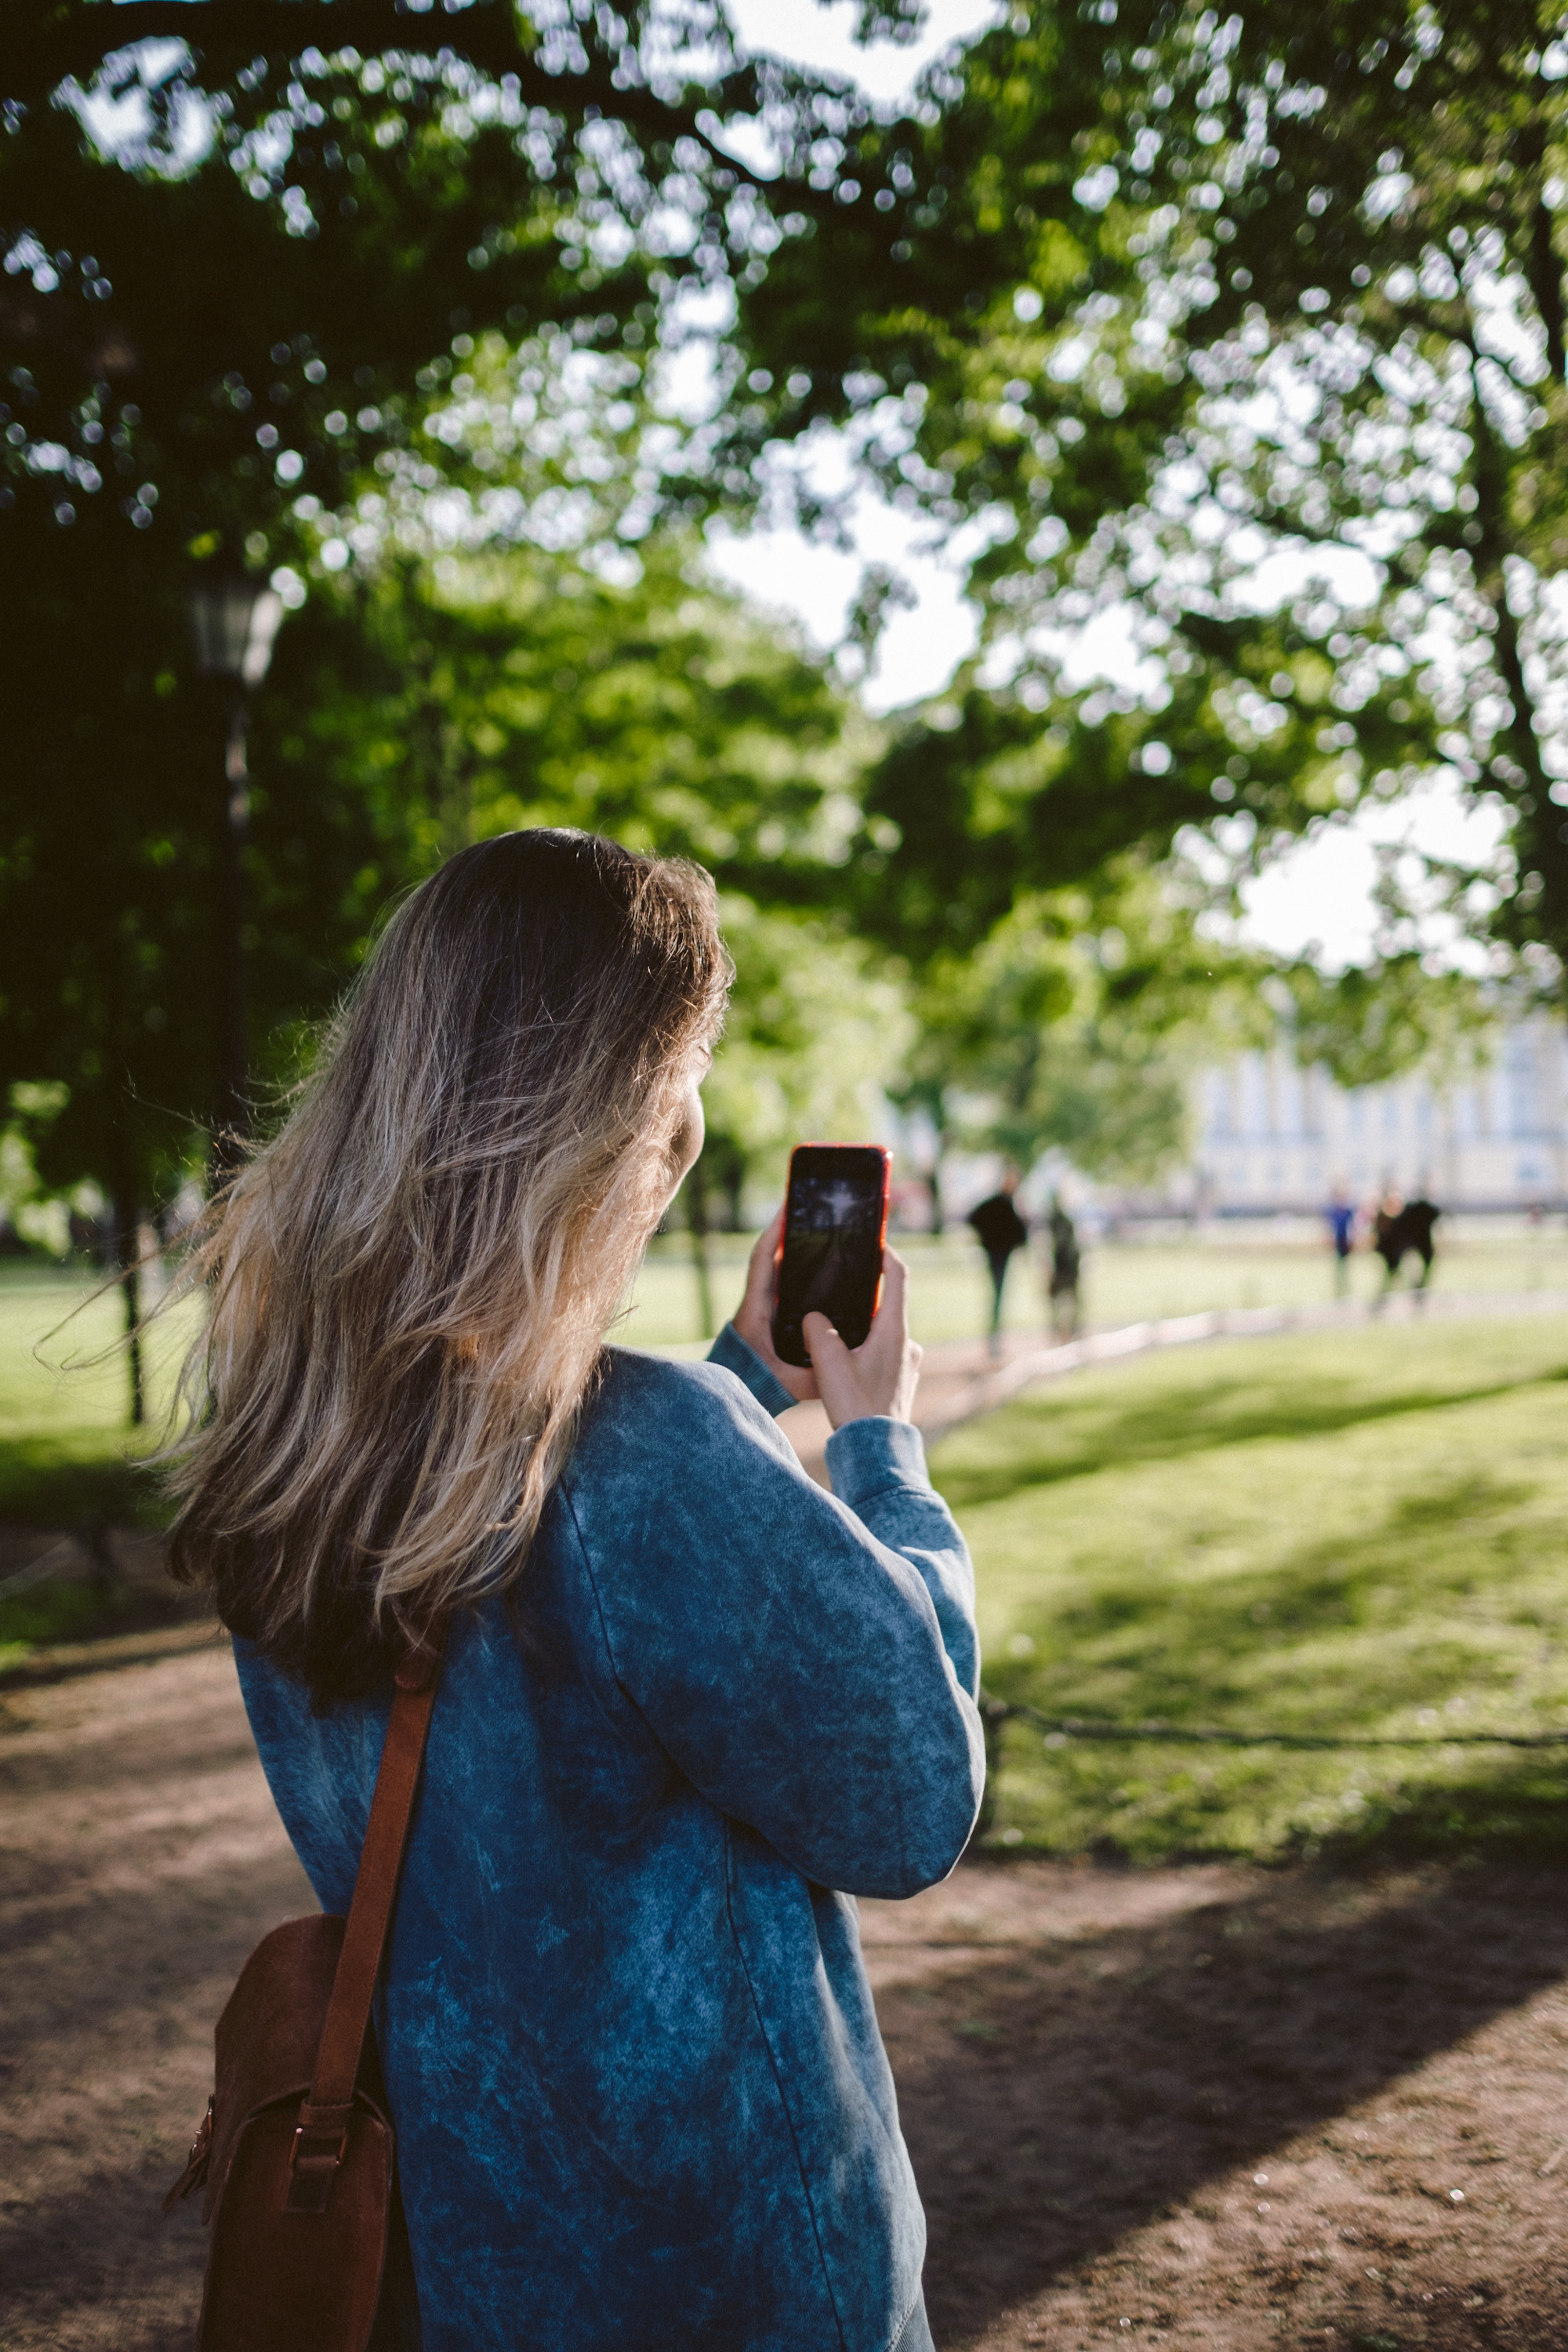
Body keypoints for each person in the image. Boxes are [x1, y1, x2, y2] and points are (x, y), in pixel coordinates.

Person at [165, 830, 982, 2352]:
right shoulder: (644, 1458)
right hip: (737, 2279)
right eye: (673, 1097)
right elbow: (912, 1794)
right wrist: (878, 1451)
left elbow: (535, 1578)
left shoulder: (290, 1430)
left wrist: (740, 1386)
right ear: (621, 1121)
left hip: (482, 2258)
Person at [967, 1163, 1029, 1359]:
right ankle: (993, 1343)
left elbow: (1019, 1232)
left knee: (999, 1298)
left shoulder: (1011, 1203)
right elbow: (975, 1219)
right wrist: (988, 1240)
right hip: (996, 1255)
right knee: (997, 1298)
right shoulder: (998, 1203)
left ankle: (995, 1342)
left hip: (1003, 1255)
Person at [1045, 1191, 1082, 1340]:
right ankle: (1066, 1330)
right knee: (1066, 1301)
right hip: (1064, 1267)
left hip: (1064, 1267)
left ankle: (1065, 1330)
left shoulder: (1057, 1223)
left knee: (1063, 1301)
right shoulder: (1060, 1222)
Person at [1323, 1183, 1356, 1298]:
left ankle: (1345, 1289)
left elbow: (1352, 1227)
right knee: (1338, 1266)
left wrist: (1351, 1240)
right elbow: (1330, 1227)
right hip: (1337, 1241)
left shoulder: (1348, 1211)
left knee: (1345, 1266)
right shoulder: (1334, 1211)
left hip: (1345, 1242)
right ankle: (1339, 1289)